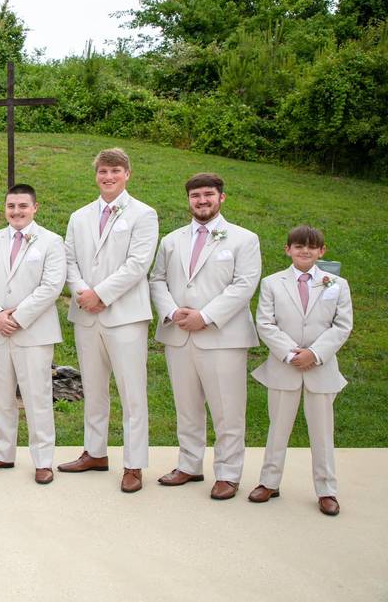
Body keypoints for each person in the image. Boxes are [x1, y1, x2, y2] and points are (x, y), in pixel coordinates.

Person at [149, 173, 261, 500]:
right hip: (179, 334)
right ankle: (189, 464)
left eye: (208, 195)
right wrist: (172, 313)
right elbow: (157, 280)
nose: (202, 201)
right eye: (195, 196)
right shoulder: (172, 240)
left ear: (221, 198)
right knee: (187, 406)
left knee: (227, 410)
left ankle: (228, 473)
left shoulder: (243, 239)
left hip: (222, 337)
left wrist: (206, 316)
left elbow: (244, 285)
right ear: (189, 200)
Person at [60, 148, 158, 493]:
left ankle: (134, 464)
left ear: (127, 174)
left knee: (132, 393)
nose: (108, 177)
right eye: (103, 171)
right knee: (94, 388)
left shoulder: (144, 215)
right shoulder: (79, 216)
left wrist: (100, 294)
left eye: (115, 171)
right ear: (96, 174)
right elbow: (69, 260)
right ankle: (95, 452)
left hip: (124, 316)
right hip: (87, 314)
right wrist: (82, 292)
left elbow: (137, 264)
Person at [248, 226, 353, 516]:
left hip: (321, 369)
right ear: (287, 250)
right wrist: (291, 353)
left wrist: (315, 354)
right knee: (277, 429)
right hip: (285, 366)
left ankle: (327, 489)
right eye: (298, 246)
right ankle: (269, 482)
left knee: (322, 433)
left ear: (322, 251)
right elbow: (265, 323)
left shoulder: (337, 284)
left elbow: (342, 326)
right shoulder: (272, 283)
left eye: (311, 247)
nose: (304, 251)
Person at [0, 184, 67, 485]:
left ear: (35, 208)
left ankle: (43, 460)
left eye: (23, 206)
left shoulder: (51, 241)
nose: (16, 211)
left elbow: (52, 287)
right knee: (0, 397)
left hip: (33, 333)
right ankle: (1, 452)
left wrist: (19, 317)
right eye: (11, 206)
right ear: (5, 208)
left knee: (37, 397)